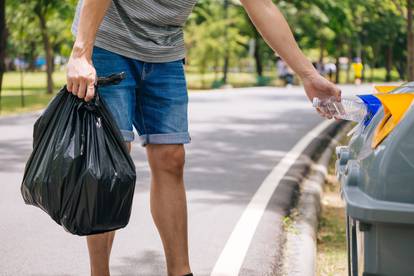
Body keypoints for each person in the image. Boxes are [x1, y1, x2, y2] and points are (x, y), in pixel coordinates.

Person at [67, 0, 341, 275]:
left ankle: (181, 271)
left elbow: (262, 6)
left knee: (171, 157)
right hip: (108, 40)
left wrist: (308, 74)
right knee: (109, 162)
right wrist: (81, 53)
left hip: (164, 49)